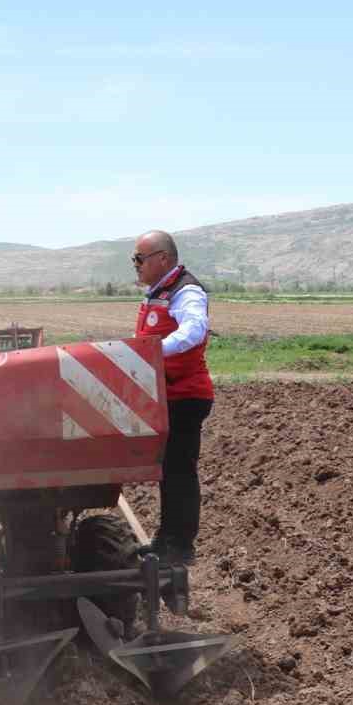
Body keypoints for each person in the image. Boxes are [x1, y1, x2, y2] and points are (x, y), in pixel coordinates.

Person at [131, 230, 212, 565]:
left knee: (179, 471)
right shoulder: (160, 291)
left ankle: (179, 547)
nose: (135, 265)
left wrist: (153, 353)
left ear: (163, 259)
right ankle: (166, 540)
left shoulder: (186, 291)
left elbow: (194, 330)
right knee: (169, 471)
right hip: (167, 395)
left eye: (139, 258)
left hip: (185, 395)